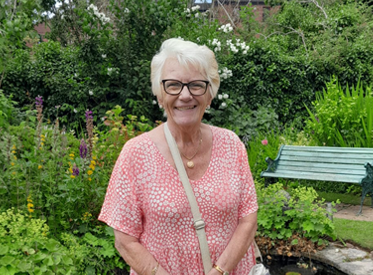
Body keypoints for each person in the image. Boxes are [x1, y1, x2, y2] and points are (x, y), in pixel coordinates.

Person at [98, 38, 258, 275]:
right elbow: (124, 240)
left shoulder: (231, 145)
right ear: (160, 95)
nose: (185, 95)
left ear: (210, 94)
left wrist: (220, 271)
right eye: (173, 85)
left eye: (196, 85)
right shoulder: (136, 154)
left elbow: (248, 217)